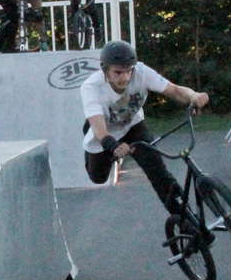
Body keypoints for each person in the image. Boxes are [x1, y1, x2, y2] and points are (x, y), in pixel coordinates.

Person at [80, 40, 209, 219]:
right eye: (118, 72)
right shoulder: (91, 87)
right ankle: (90, 140)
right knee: (98, 177)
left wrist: (193, 96)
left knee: (158, 171)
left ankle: (186, 220)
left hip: (133, 128)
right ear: (105, 71)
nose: (125, 78)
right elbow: (99, 128)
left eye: (128, 71)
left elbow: (173, 90)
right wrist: (113, 146)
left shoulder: (141, 71)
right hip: (104, 136)